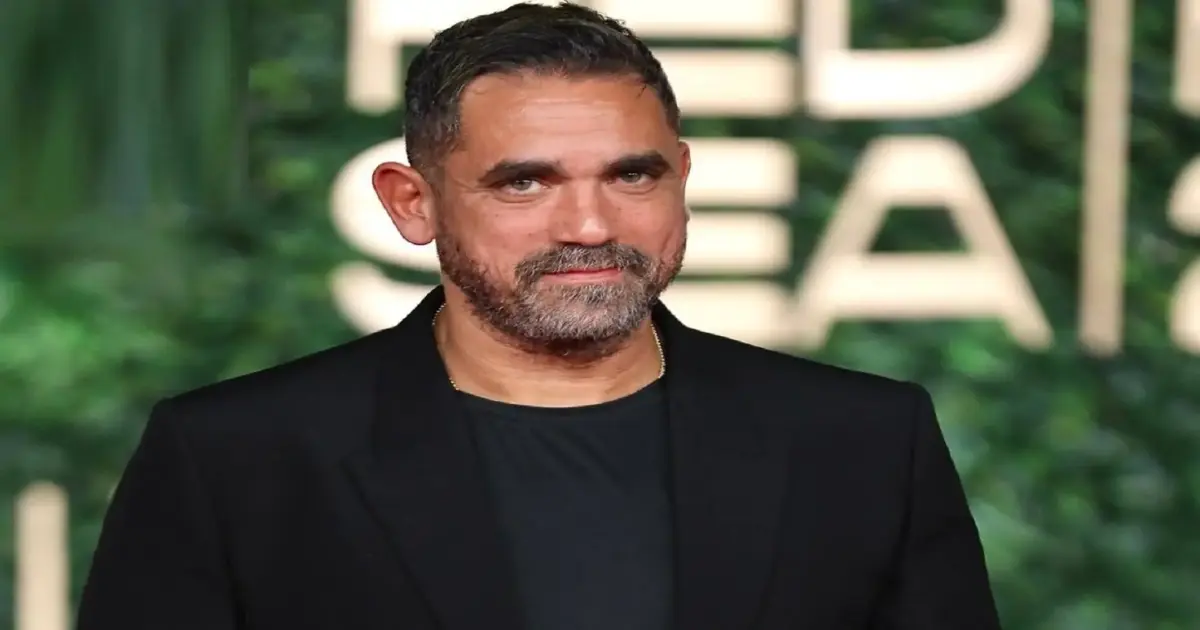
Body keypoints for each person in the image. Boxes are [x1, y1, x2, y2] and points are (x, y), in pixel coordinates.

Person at [76, 2, 1003, 629]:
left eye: (631, 175)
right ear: (412, 203)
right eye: (525, 182)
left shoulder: (863, 442)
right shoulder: (237, 459)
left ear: (682, 177)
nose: (590, 225)